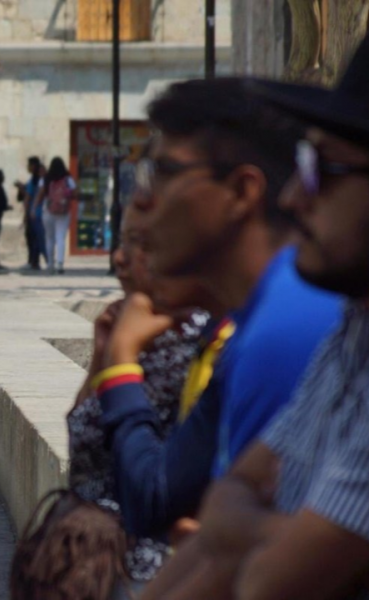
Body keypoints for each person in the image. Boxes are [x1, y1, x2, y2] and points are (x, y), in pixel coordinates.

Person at [143, 36, 369, 600]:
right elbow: (219, 526)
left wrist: (242, 528)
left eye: (325, 170)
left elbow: (266, 579)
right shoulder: (351, 329)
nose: (295, 196)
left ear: (242, 191)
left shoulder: (286, 328)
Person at [87, 78, 343, 544]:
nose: (143, 200)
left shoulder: (282, 329)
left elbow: (216, 542)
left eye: (163, 171)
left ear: (242, 192)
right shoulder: (255, 322)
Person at [67, 203, 211, 597]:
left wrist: (121, 357)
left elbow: (155, 488)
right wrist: (103, 354)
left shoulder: (196, 334)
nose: (120, 258)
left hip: (156, 572)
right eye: (123, 240)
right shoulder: (126, 324)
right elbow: (82, 442)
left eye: (140, 243)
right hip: (100, 561)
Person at [33, 157, 76, 274]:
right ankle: (60, 264)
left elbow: (40, 194)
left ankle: (50, 264)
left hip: (48, 211)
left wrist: (34, 208)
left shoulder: (46, 179)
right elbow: (75, 192)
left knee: (49, 238)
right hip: (63, 211)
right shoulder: (68, 179)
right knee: (60, 237)